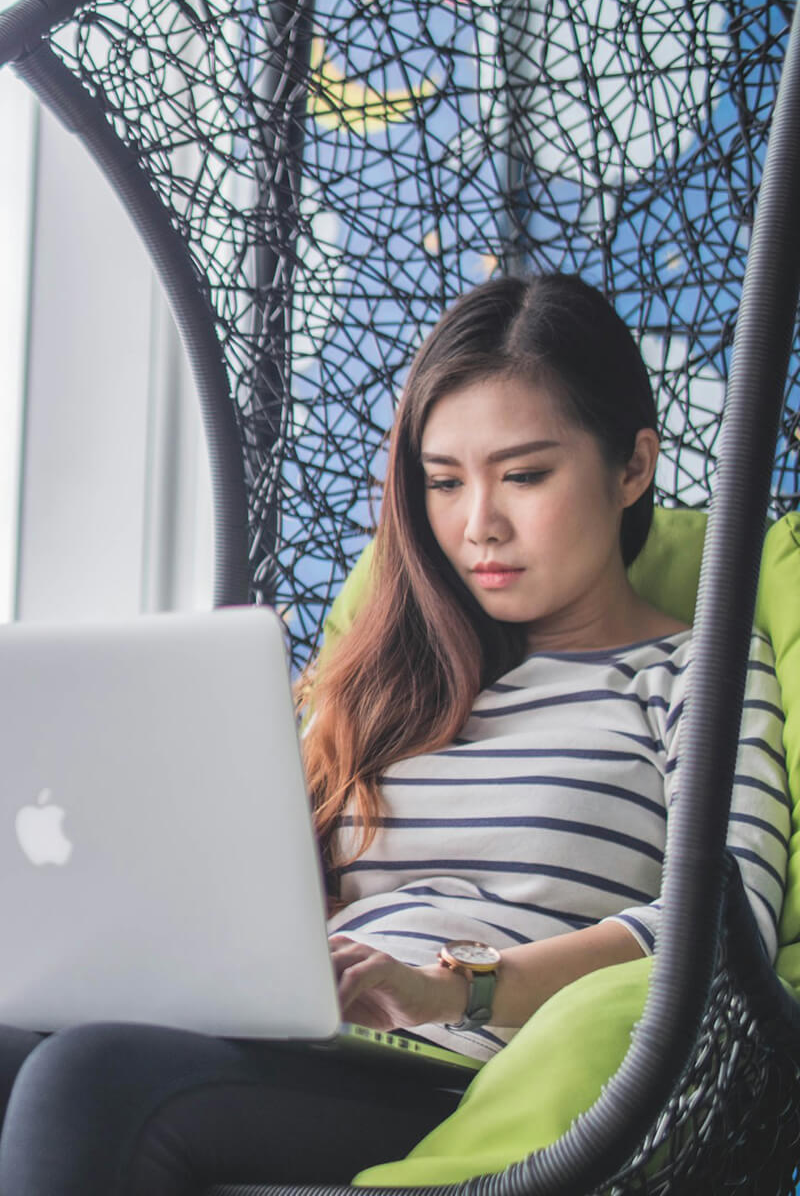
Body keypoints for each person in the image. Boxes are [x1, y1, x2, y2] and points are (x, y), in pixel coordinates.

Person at [0, 273, 789, 1195]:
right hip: (314, 1040)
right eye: (445, 483)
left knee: (89, 1088)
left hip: (471, 1070)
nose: (478, 526)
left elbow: (728, 931)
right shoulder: (390, 675)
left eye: (525, 476)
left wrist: (458, 985)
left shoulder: (696, 672)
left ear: (631, 468)